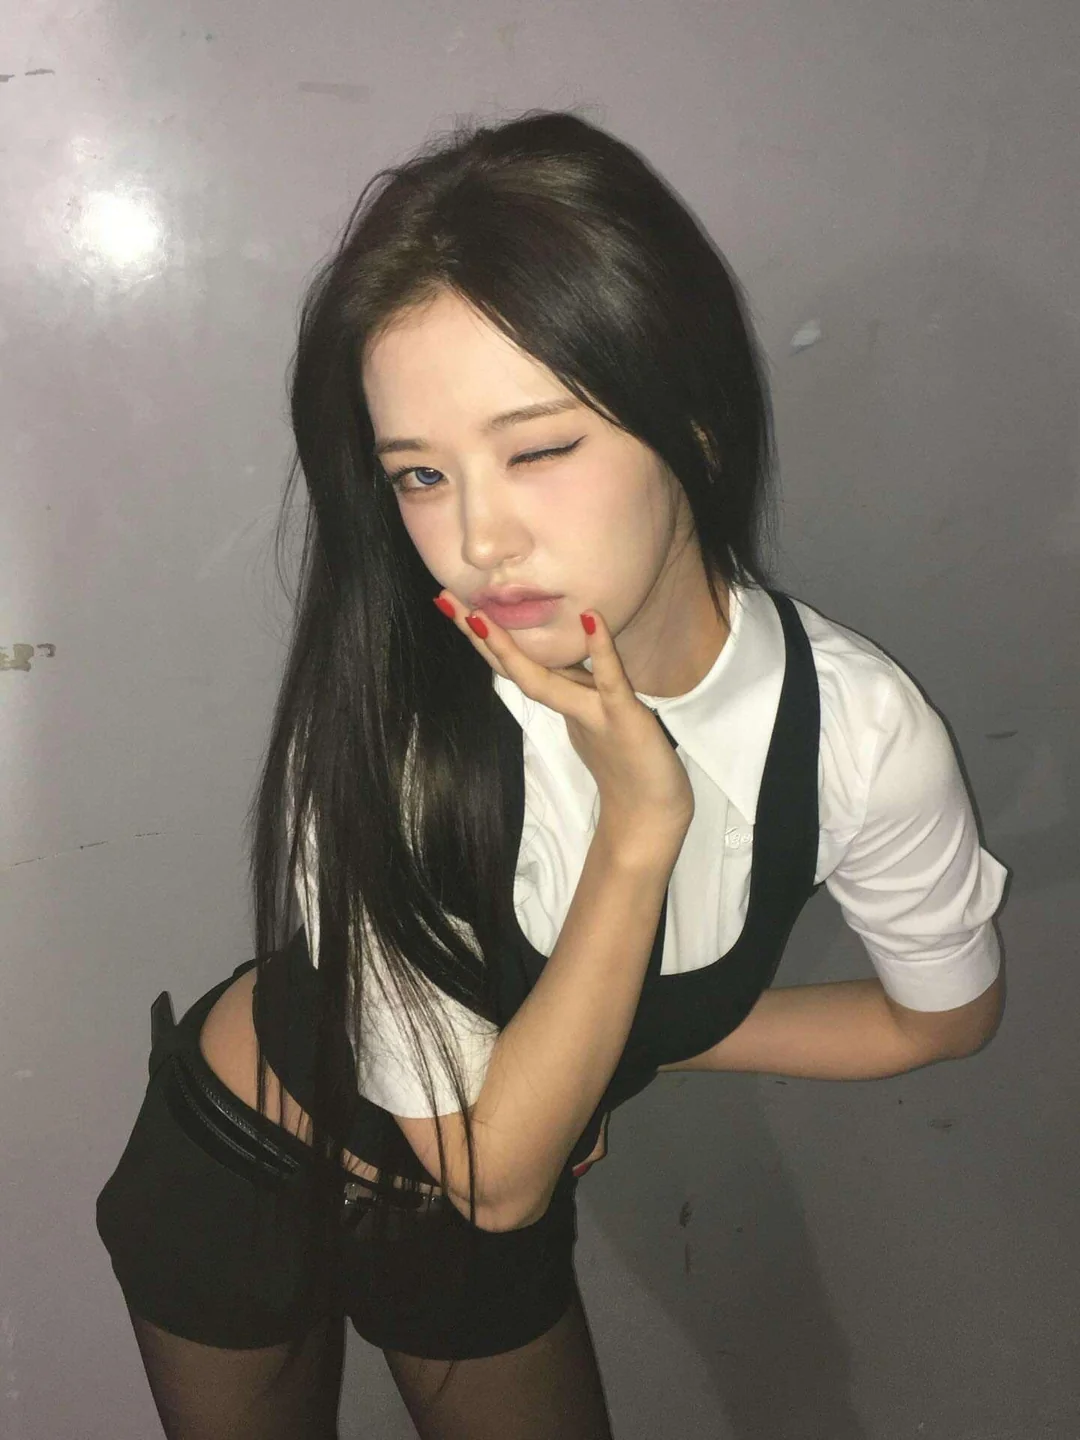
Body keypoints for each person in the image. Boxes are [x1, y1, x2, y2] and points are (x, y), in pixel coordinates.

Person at [95, 106, 1008, 1440]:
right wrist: (642, 825)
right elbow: (497, 1175)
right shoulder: (395, 725)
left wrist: (620, 1038)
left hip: (474, 1209)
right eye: (421, 475)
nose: (478, 538)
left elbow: (941, 1020)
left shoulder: (853, 731)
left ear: (694, 422)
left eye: (538, 448)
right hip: (245, 1163)